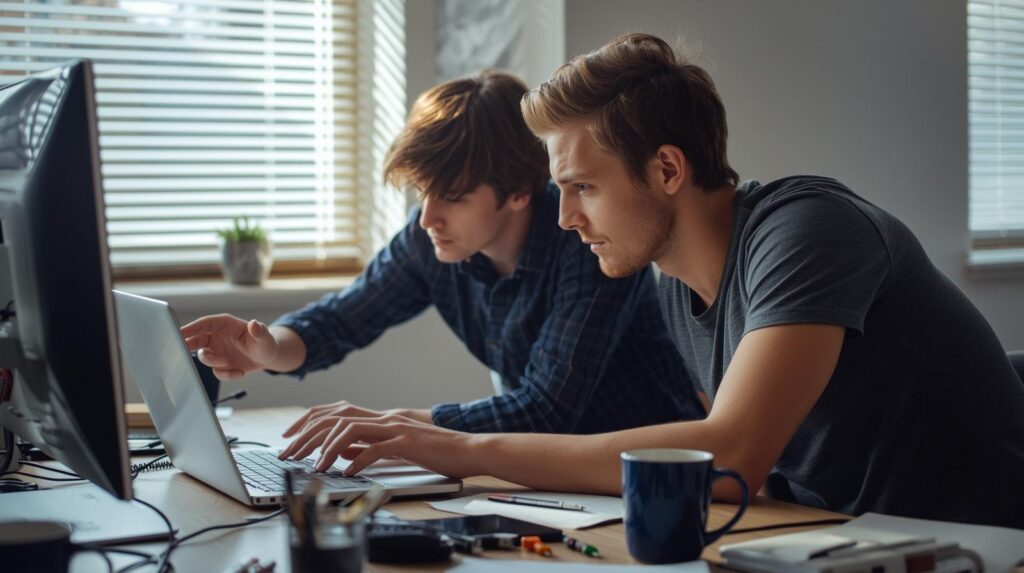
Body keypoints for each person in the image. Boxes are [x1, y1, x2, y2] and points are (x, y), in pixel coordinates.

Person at [292, 34, 1024, 528]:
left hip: (978, 537)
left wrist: (448, 442)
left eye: (581, 187)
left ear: (668, 170)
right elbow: (760, 473)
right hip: (845, 536)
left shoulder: (807, 230)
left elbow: (728, 453)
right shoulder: (674, 282)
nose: (566, 218)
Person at [181, 69, 704, 449]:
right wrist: (267, 347)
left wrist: (401, 425)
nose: (427, 217)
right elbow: (341, 320)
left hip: (652, 473)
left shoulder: (589, 241)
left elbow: (548, 408)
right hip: (542, 476)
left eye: (451, 196)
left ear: (519, 191)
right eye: (421, 192)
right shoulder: (430, 237)